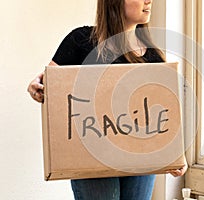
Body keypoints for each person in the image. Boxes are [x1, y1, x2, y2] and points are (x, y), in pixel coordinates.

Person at [27, 0, 187, 199]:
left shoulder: (152, 55)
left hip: (140, 156)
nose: (149, 0)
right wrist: (37, 84)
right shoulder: (81, 41)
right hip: (91, 155)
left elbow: (165, 114)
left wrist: (176, 154)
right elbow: (51, 82)